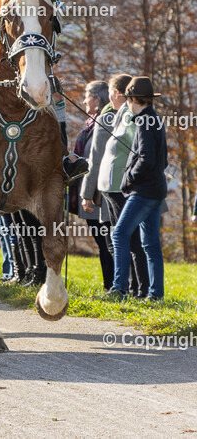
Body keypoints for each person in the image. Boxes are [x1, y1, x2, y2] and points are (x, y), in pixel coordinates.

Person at [107, 77, 168, 302]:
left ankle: (119, 289)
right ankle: (156, 295)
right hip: (157, 189)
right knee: (150, 244)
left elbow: (146, 157)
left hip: (143, 191)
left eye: (128, 99)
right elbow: (163, 160)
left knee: (119, 233)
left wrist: (130, 178)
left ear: (133, 98)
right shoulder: (155, 118)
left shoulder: (142, 121)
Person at [90, 73, 148, 298]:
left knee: (129, 238)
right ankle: (124, 287)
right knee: (119, 237)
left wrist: (130, 176)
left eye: (112, 93)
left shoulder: (131, 115)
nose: (111, 97)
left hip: (120, 185)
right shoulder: (121, 113)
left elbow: (138, 147)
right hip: (111, 186)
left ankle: (134, 289)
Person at [76, 80, 115, 290]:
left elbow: (98, 159)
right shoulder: (91, 123)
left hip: (99, 193)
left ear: (97, 99)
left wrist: (87, 193)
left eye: (87, 96)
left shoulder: (104, 122)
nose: (84, 101)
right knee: (103, 243)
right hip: (91, 190)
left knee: (107, 242)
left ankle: (114, 286)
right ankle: (110, 285)